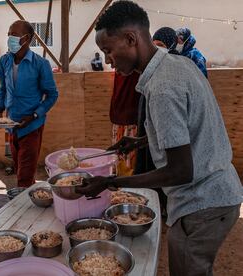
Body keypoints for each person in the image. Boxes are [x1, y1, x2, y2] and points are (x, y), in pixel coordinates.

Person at [77, 2, 242, 275]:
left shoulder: (163, 88)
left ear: (131, 39)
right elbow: (186, 129)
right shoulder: (177, 65)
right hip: (220, 191)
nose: (107, 60)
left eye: (108, 50)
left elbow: (180, 170)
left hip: (203, 203)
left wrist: (110, 182)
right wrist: (141, 140)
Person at [0, 20, 58, 188]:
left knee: (24, 175)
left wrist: (34, 115)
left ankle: (26, 206)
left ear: (26, 38)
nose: (9, 38)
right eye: (8, 34)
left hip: (31, 126)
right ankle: (31, 195)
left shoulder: (40, 64)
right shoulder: (5, 61)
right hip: (11, 124)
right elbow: (3, 88)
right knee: (20, 167)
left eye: (13, 35)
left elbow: (52, 95)